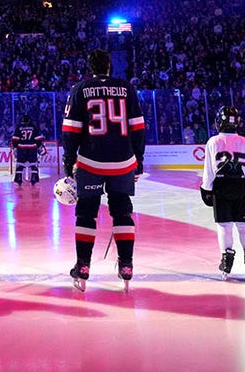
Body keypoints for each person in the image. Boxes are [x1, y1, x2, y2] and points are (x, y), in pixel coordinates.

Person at [61, 48, 146, 290]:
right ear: (110, 66)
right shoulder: (126, 88)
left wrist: (69, 160)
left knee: (86, 212)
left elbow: (71, 129)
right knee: (122, 211)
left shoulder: (80, 89)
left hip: (91, 161)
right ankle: (126, 264)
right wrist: (138, 159)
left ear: (90, 68)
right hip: (123, 161)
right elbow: (138, 126)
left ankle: (83, 265)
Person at [199, 106, 245, 280]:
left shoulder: (213, 142)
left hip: (221, 186)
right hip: (241, 185)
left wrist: (207, 188)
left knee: (224, 226)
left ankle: (227, 261)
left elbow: (209, 169)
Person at [10, 113, 46, 186]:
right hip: (32, 148)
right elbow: (38, 139)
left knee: (20, 164)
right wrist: (39, 147)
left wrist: (15, 147)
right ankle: (34, 179)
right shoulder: (34, 127)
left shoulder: (19, 127)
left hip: (21, 148)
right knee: (33, 164)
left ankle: (19, 179)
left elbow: (15, 139)